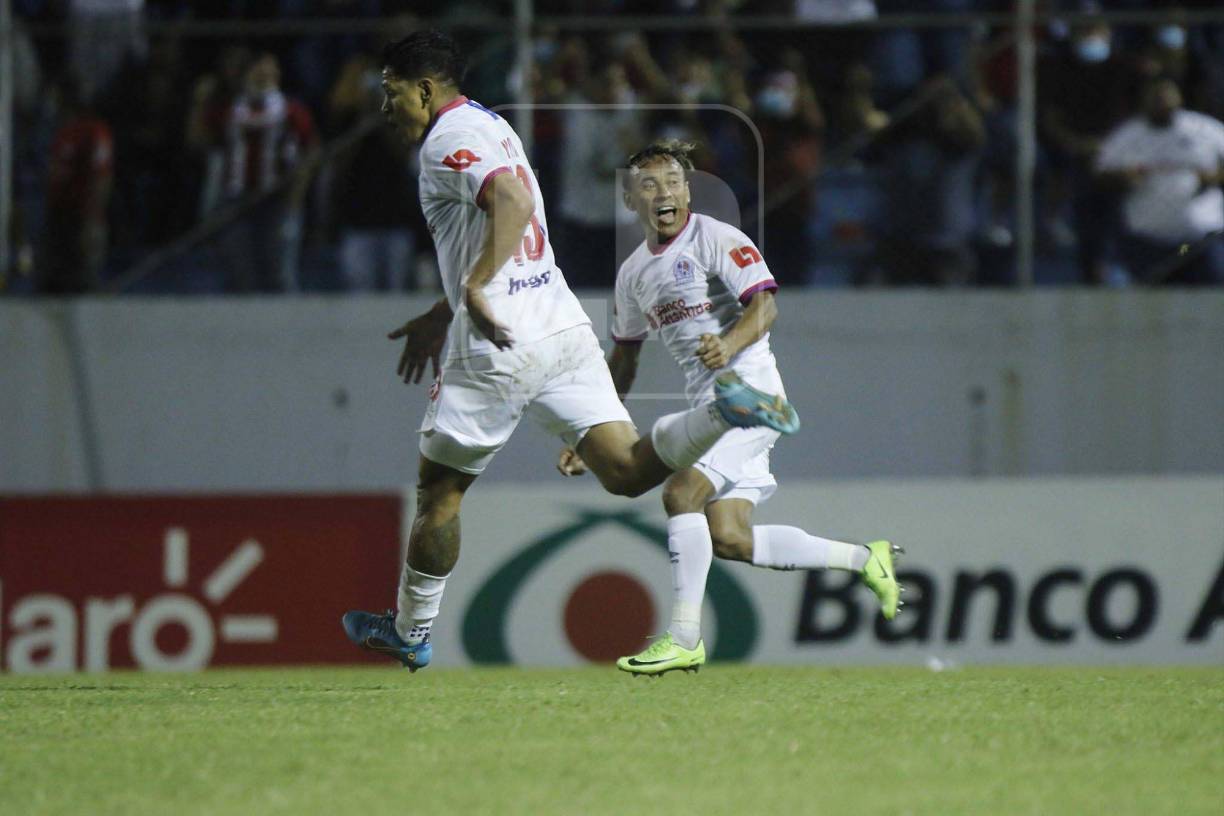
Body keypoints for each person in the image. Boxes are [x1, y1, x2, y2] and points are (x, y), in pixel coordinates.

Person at [341, 31, 799, 672]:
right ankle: (724, 412)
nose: (386, 106)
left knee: (439, 493)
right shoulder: (492, 125)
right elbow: (503, 221)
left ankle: (412, 630)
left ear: (423, 88)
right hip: (562, 325)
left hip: (498, 345)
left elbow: (514, 201)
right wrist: (444, 304)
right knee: (627, 472)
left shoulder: (444, 141)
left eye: (390, 93)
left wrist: (471, 289)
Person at [555, 140, 902, 676]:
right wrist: (587, 436)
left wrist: (730, 344)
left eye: (673, 182)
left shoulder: (716, 238)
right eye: (649, 184)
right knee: (730, 538)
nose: (663, 193)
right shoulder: (632, 275)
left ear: (688, 190)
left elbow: (765, 305)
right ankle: (865, 558)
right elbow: (622, 362)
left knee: (680, 493)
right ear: (631, 200)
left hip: (754, 395)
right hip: (709, 407)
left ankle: (685, 637)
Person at [1097, 77, 1224, 286]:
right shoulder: (1127, 135)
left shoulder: (1204, 130)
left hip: (1199, 241)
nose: (1161, 103)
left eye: (1166, 97)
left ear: (1179, 98)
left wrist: (1215, 177)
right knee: (1149, 303)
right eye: (1155, 98)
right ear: (1145, 100)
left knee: (1212, 299)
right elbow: (1101, 174)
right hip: (1148, 241)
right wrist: (1123, 177)